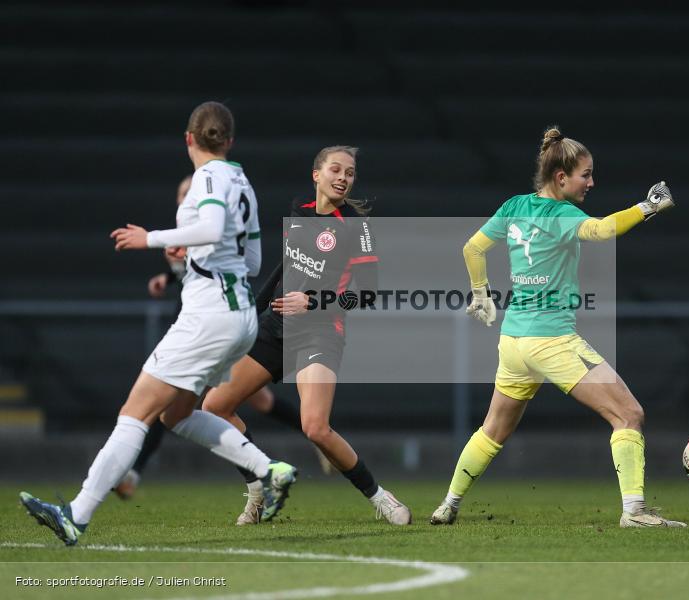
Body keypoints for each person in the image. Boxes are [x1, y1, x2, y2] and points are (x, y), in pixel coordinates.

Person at [20, 101, 297, 545]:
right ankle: (269, 469)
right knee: (177, 415)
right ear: (229, 140)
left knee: (135, 412)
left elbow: (209, 227)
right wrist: (202, 260)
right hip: (238, 312)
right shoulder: (241, 180)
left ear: (189, 139)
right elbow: (253, 258)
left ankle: (77, 514)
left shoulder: (207, 177)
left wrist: (149, 238)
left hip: (210, 314)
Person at [429, 126, 686, 528]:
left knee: (493, 429)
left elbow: (472, 247)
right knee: (629, 414)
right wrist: (648, 207)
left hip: (513, 341)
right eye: (586, 174)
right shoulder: (562, 214)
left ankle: (448, 503)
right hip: (551, 340)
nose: (591, 182)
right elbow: (603, 230)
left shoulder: (514, 206)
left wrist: (481, 295)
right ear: (561, 177)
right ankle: (634, 512)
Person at [202, 145, 412, 526]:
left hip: (320, 332)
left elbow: (366, 293)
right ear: (317, 175)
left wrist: (312, 301)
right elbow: (285, 268)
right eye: (336, 170)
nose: (343, 178)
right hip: (276, 328)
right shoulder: (299, 209)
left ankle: (381, 498)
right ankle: (257, 487)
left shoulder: (356, 228)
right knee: (212, 409)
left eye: (350, 173)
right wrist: (255, 311)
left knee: (315, 427)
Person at [115, 176, 329, 501]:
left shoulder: (214, 227)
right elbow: (193, 271)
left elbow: (226, 267)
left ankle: (262, 473)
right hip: (198, 317)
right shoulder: (189, 229)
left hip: (214, 322)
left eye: (192, 192)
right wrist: (168, 277)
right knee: (254, 401)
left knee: (172, 400)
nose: (189, 197)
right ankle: (282, 460)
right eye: (183, 193)